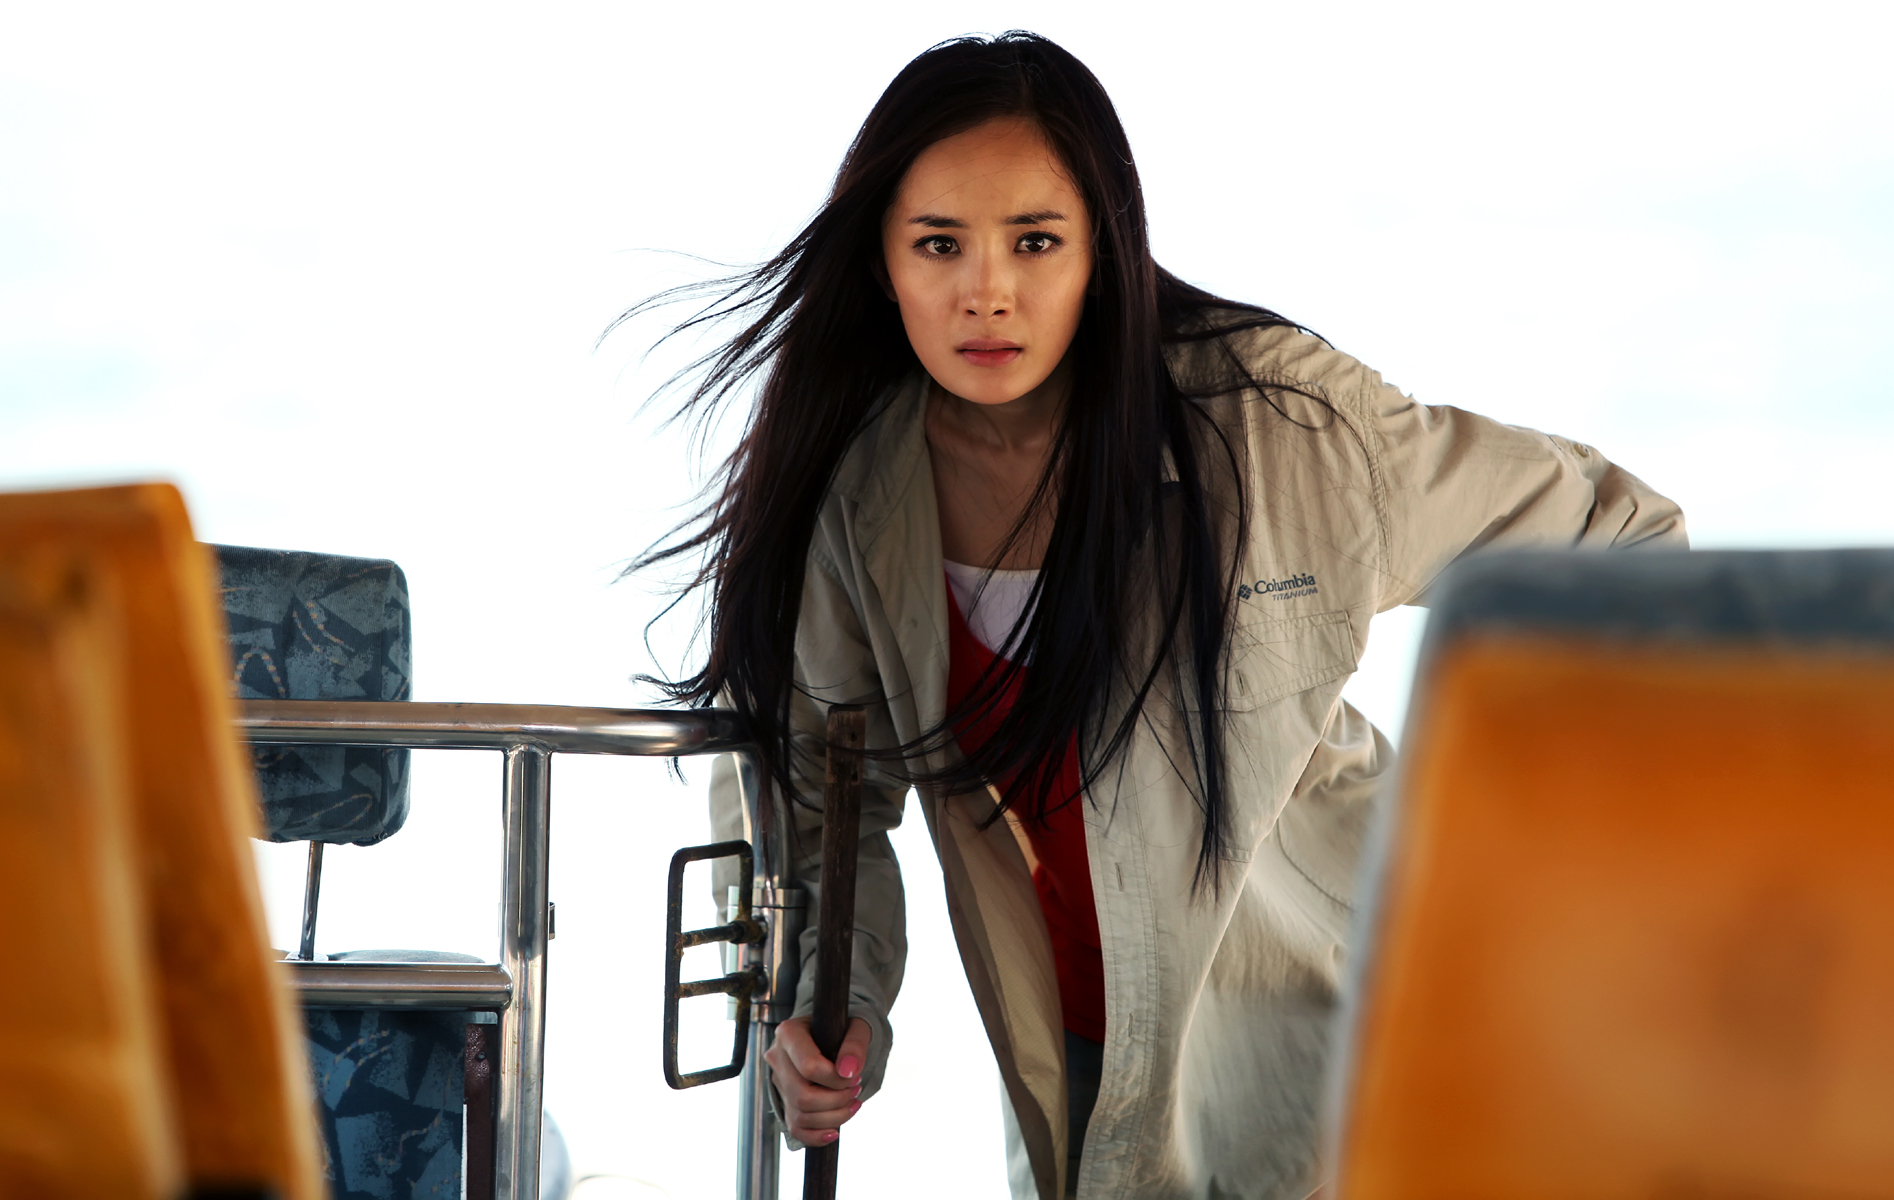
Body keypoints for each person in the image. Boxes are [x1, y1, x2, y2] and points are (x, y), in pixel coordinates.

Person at [626, 31, 1685, 1200]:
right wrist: (834, 1010)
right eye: (940, 244)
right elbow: (821, 791)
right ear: (883, 262)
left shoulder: (1283, 428)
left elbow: (1622, 542)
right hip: (1086, 1074)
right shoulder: (852, 498)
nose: (988, 290)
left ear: (1104, 250)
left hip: (1383, 1040)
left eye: (1036, 241)